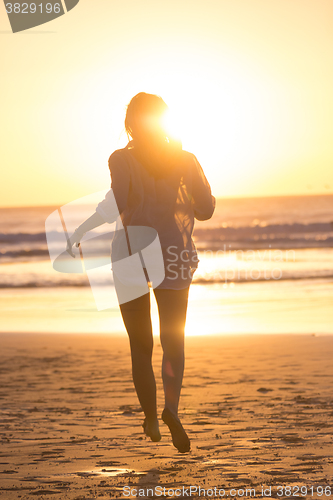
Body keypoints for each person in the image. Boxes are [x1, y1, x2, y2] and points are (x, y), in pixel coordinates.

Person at [66, 92, 215, 453]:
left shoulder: (121, 159)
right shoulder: (186, 159)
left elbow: (116, 202)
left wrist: (81, 229)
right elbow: (207, 210)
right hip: (175, 255)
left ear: (131, 123)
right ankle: (171, 410)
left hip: (132, 257)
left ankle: (150, 417)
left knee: (141, 345)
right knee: (173, 341)